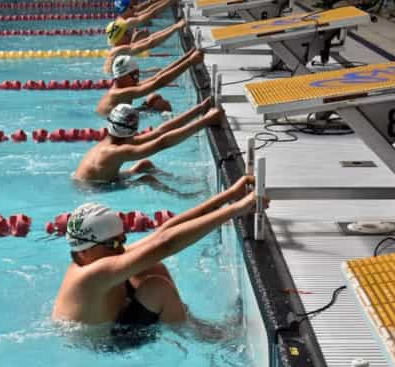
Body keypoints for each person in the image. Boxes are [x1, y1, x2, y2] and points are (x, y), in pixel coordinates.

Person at [52, 175, 262, 336]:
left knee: (151, 266)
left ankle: (191, 321)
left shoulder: (98, 256)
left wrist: (229, 195)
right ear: (86, 249)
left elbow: (162, 233)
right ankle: (201, 337)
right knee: (157, 288)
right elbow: (166, 244)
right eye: (115, 242)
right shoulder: (91, 276)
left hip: (119, 316)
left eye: (123, 239)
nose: (121, 247)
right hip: (108, 342)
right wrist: (236, 210)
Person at [77, 98, 220, 183]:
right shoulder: (117, 151)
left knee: (145, 165)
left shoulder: (111, 143)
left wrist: (200, 109)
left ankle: (181, 182)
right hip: (96, 188)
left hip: (97, 181)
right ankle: (182, 193)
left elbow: (160, 131)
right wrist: (206, 121)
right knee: (147, 179)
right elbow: (161, 143)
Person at [96, 48, 204, 116]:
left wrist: (187, 56)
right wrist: (190, 62)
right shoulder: (118, 93)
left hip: (125, 115)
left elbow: (157, 77)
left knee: (155, 98)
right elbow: (158, 83)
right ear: (122, 76)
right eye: (134, 75)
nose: (137, 79)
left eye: (137, 75)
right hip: (114, 124)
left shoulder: (124, 86)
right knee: (163, 105)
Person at [104, 19, 186, 74]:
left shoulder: (116, 49)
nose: (130, 33)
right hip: (116, 79)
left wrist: (174, 26)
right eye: (127, 32)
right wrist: (175, 28)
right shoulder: (120, 50)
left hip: (119, 77)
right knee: (160, 72)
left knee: (156, 70)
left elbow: (149, 40)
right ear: (120, 37)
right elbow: (150, 43)